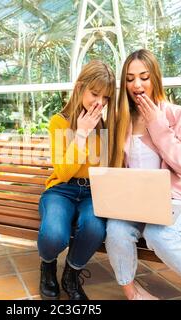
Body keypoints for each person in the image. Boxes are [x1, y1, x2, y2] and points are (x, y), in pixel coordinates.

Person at [105, 49, 181, 300]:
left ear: (155, 78)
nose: (137, 84)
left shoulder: (178, 115)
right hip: (134, 204)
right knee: (115, 230)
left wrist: (158, 124)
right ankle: (132, 293)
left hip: (175, 201)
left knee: (159, 233)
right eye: (129, 78)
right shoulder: (121, 119)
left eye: (144, 77)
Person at [38, 60, 116, 300]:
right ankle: (47, 265)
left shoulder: (107, 125)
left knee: (94, 227)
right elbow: (63, 172)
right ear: (80, 87)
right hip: (61, 190)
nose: (99, 102)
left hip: (93, 192)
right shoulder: (59, 122)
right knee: (53, 236)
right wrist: (81, 134)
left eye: (105, 97)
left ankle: (71, 274)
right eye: (94, 94)